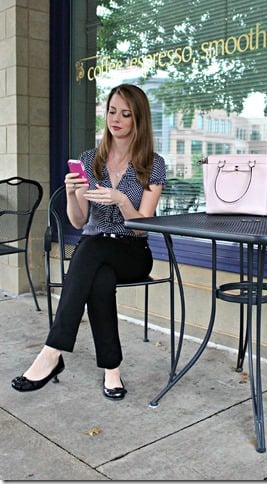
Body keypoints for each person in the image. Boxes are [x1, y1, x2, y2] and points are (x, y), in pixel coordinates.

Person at [11, 84, 166, 400]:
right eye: (112, 111)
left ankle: (52, 351)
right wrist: (72, 193)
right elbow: (79, 221)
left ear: (139, 120)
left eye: (126, 114)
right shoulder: (89, 159)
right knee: (99, 276)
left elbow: (141, 226)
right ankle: (112, 370)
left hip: (133, 251)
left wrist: (122, 200)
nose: (116, 119)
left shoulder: (153, 163)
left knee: (91, 248)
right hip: (96, 252)